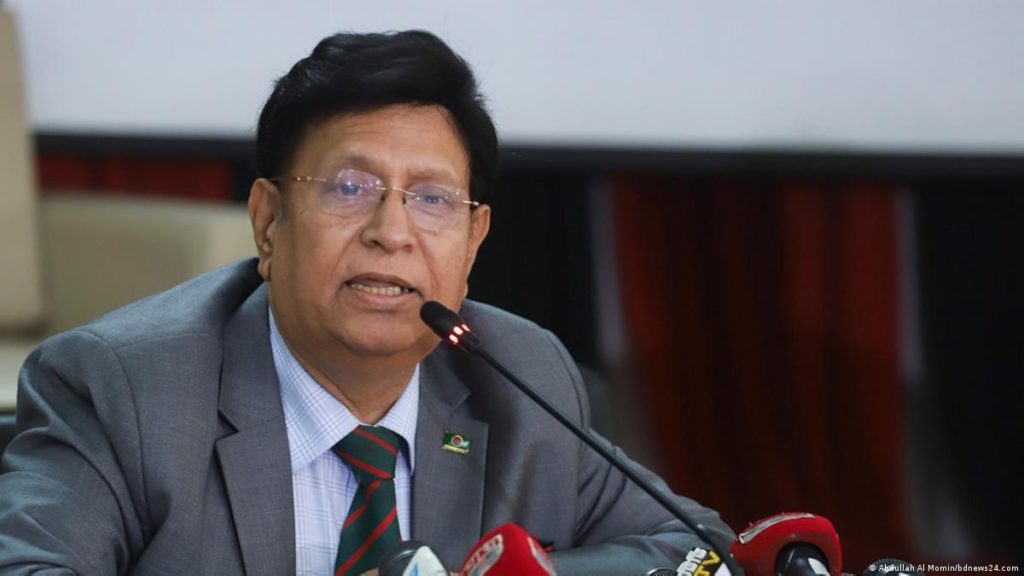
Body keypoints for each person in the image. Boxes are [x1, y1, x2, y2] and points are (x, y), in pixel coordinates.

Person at [0, 31, 734, 575]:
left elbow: (701, 552)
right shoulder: (125, 389)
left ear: (474, 241)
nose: (392, 232)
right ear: (268, 222)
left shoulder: (521, 375)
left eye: (432, 199)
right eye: (350, 188)